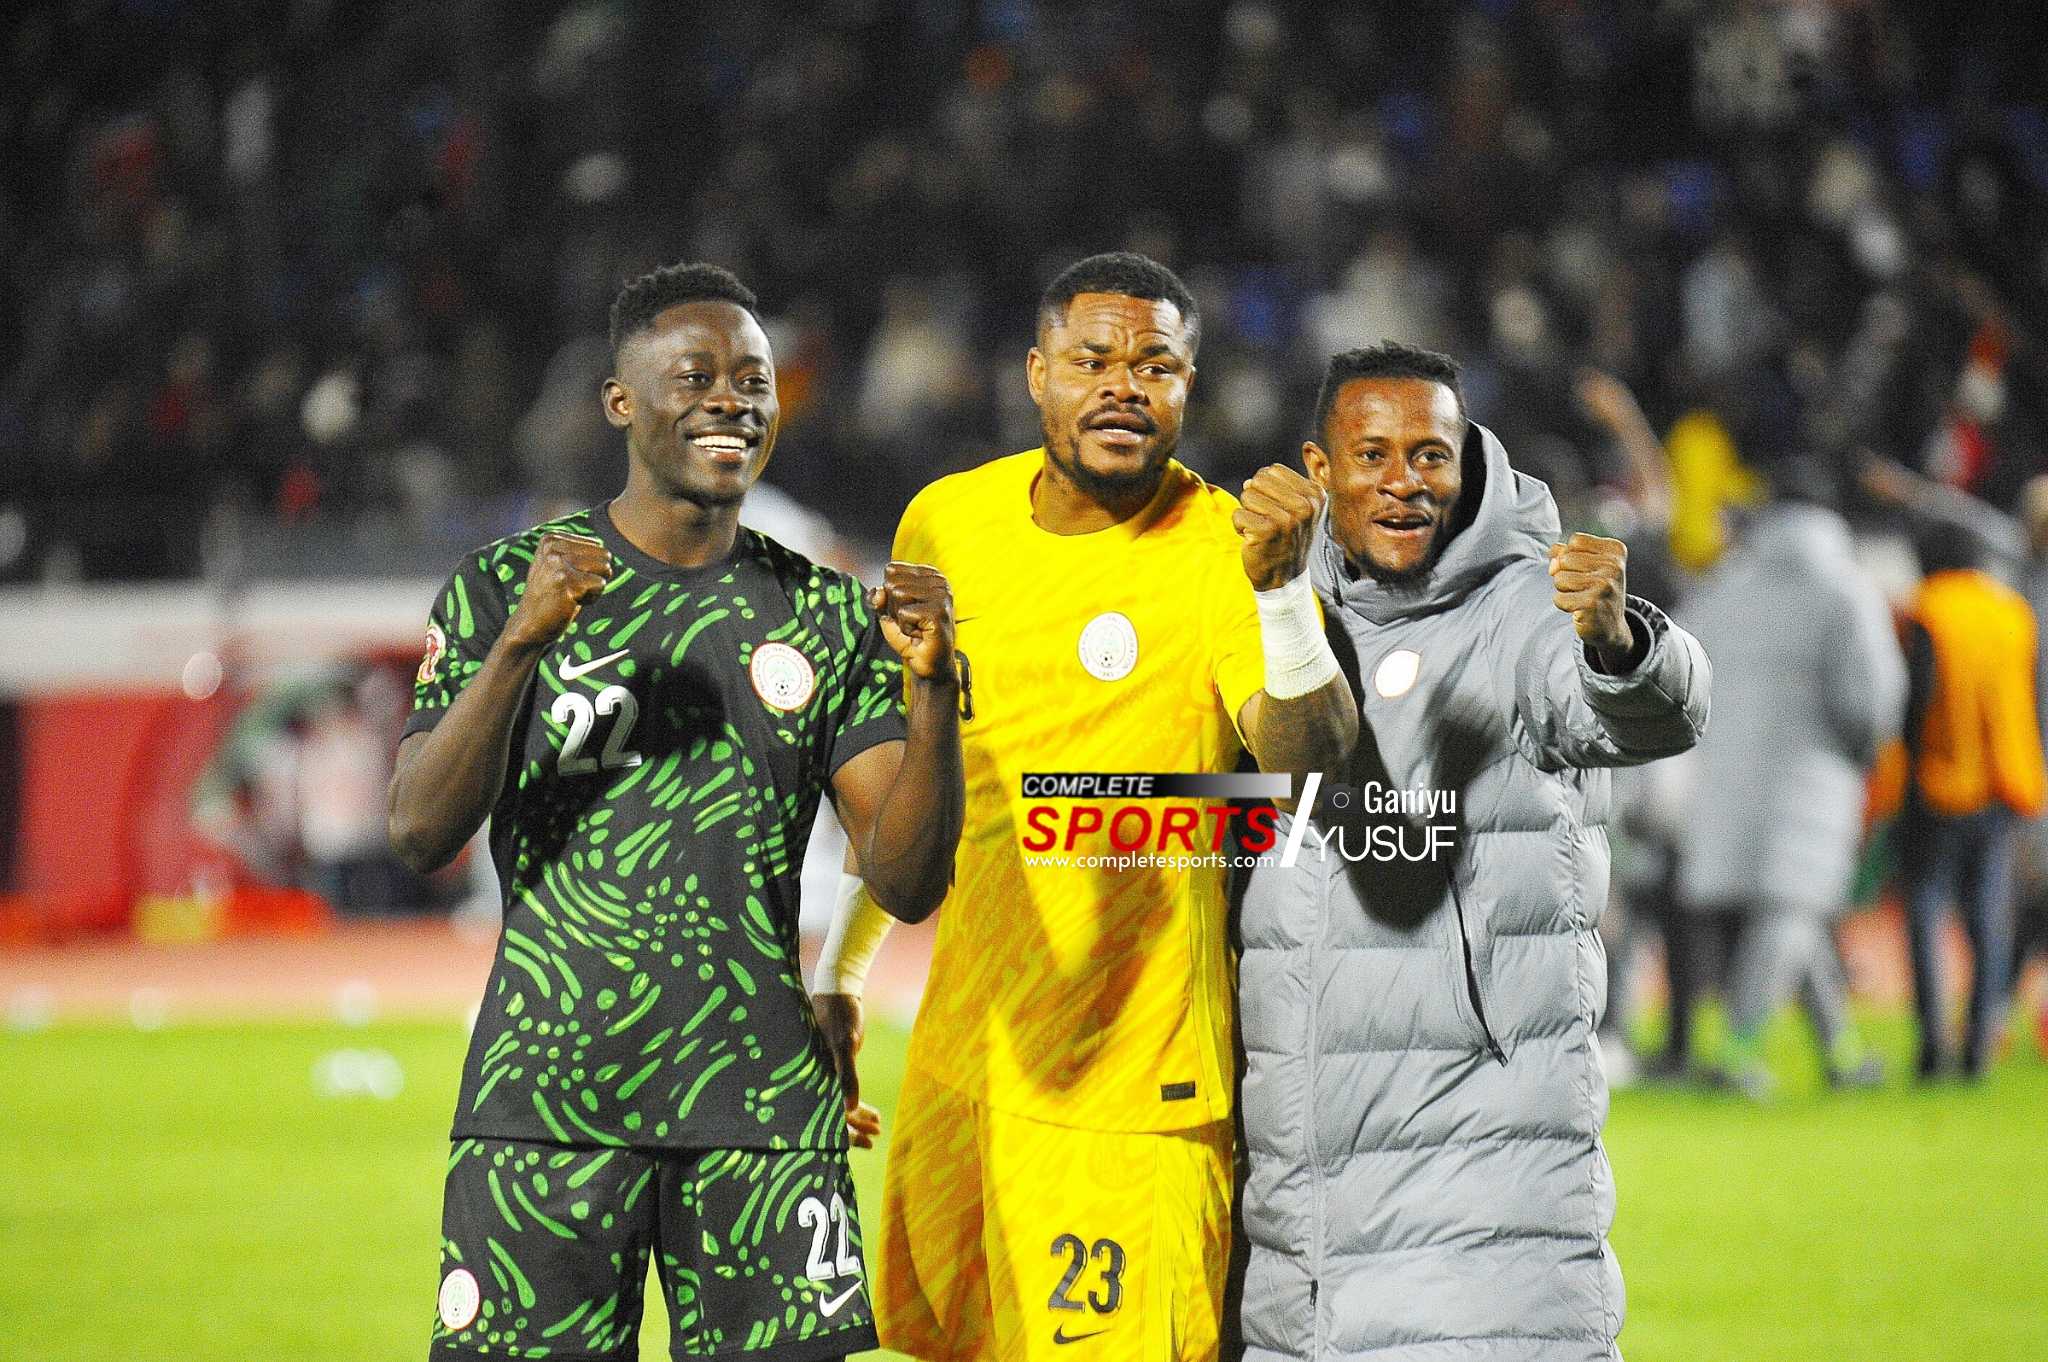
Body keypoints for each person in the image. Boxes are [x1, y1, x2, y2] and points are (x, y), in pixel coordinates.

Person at [386, 262, 965, 1362]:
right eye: (695, 377)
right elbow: (419, 831)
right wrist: (520, 645)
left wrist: (934, 694)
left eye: (753, 381)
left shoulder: (825, 612)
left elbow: (907, 879)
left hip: (762, 1111)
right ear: (620, 400)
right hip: (547, 1106)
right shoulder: (501, 587)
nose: (731, 401)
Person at [810, 252, 1359, 1361]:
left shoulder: (1224, 551)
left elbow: (1305, 768)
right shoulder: (946, 523)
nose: (1123, 386)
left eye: (1155, 365)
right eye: (1093, 360)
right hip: (964, 1063)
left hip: (1130, 1095)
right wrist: (842, 971)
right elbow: (931, 781)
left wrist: (1281, 596)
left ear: (1188, 387)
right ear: (1035, 374)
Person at [1233, 343, 1709, 1362]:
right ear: (1320, 469)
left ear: (1465, 463)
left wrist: (1616, 642)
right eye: (1372, 455)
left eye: (1429, 455)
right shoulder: (1272, 619)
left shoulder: (1520, 610)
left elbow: (1640, 710)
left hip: (1484, 1228)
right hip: (1298, 1251)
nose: (1403, 481)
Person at [1676, 455, 1904, 1097]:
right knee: (1794, 908)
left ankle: (1843, 1053)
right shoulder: (1845, 588)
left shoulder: (1725, 582)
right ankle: (1737, 1052)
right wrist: (1863, 751)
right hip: (1813, 773)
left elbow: (1681, 672)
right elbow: (1874, 697)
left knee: (1795, 910)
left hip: (1725, 771)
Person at [1898, 521, 2046, 1079]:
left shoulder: (1929, 608)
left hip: (1940, 782)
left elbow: (1917, 700)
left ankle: (1933, 1041)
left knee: (1926, 909)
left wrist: (1906, 776)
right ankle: (1980, 1041)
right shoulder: (2012, 612)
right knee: (1988, 916)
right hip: (2004, 784)